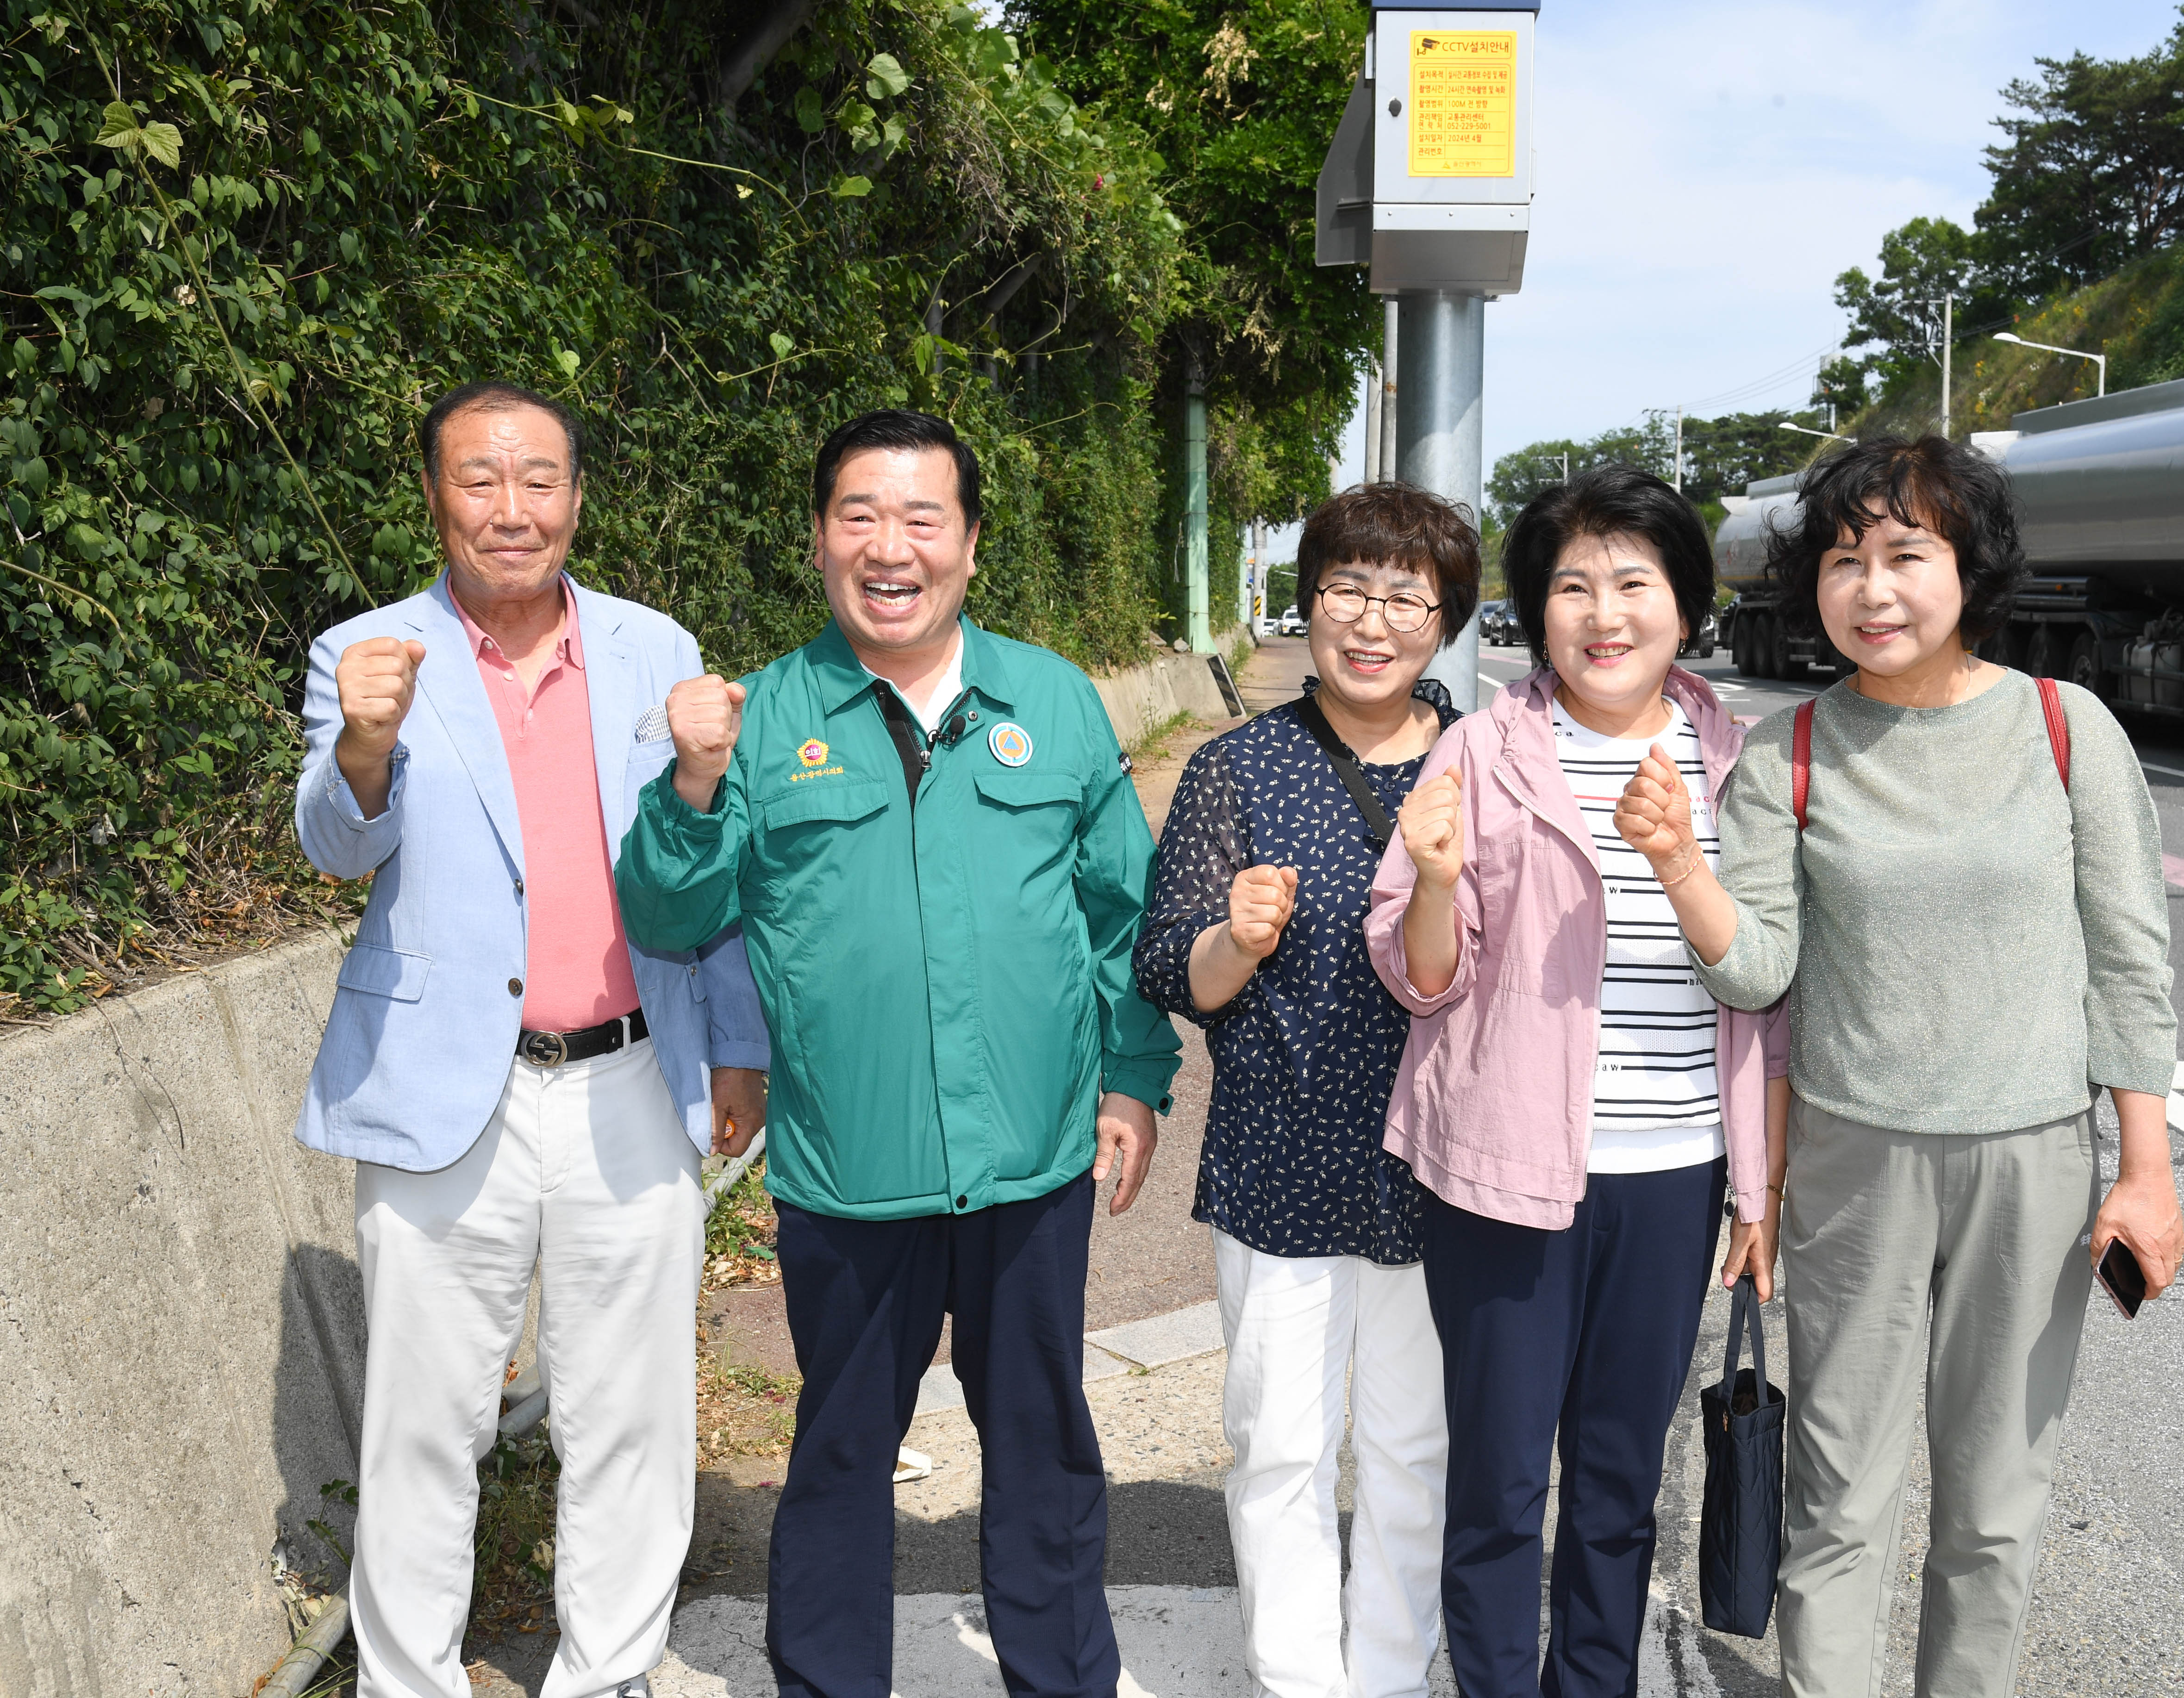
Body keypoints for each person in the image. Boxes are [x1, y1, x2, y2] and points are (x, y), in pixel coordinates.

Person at [612, 409, 1181, 1698]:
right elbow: (671, 915)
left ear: (972, 545)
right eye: (860, 515)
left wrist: (1134, 1078)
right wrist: (692, 785)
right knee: (840, 1452)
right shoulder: (762, 715)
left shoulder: (1053, 700)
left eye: (924, 518)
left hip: (1030, 1162)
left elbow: (1119, 917)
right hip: (845, 1170)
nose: (892, 546)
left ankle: (1061, 1677)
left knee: (1042, 1443)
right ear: (817, 540)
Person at [1624, 435, 2184, 1698]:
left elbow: (2129, 962)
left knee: (1994, 1511)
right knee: (1838, 1500)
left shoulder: (2064, 728)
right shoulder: (1793, 753)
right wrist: (1680, 868)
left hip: (2032, 1161)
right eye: (1842, 560)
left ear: (1966, 568)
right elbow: (1756, 971)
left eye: (1904, 556)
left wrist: (2144, 1170)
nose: (1872, 590)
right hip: (1853, 1161)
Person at [293, 381, 769, 1698]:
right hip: (450, 1092)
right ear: (435, 494)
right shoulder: (367, 652)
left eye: (540, 480)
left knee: (630, 1414)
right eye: (480, 480)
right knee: (422, 1425)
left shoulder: (650, 643)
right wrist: (369, 745)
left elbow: (706, 853)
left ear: (577, 495)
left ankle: (607, 1674)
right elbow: (335, 849)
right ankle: (410, 1683)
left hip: (634, 1068)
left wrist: (736, 1042)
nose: (513, 509)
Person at [1365, 463, 1788, 1698]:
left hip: (1675, 1175)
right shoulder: (1483, 750)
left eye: (1634, 584)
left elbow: (1773, 984)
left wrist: (1758, 1190)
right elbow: (1421, 980)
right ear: (1536, 612)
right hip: (1502, 1175)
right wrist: (1436, 881)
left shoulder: (1740, 763)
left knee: (1618, 1482)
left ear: (1686, 604)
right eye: (1572, 586)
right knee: (1499, 1483)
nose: (1604, 614)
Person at [1133, 483, 1478, 1698]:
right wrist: (1235, 938)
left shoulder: (1485, 766)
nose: (1372, 620)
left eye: (1406, 597)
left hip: (1442, 1168)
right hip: (1280, 1151)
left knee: (1412, 1445)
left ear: (1444, 623)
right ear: (1308, 599)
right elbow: (1170, 966)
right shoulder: (1239, 769)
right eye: (1347, 588)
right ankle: (1297, 1680)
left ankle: (1387, 1673)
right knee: (1277, 1443)